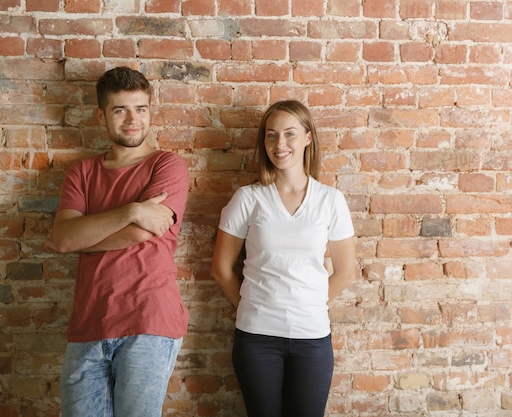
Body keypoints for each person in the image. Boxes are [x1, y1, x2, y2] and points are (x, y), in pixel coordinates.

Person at [45, 66, 189, 417]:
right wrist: (132, 211)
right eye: (120, 110)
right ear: (101, 115)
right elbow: (62, 238)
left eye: (140, 108)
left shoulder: (167, 166)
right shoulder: (81, 172)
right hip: (89, 324)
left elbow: (145, 231)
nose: (132, 120)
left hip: (149, 321)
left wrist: (85, 235)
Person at [210, 100, 356, 417]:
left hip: (312, 339)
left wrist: (307, 304)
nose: (280, 144)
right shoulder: (247, 198)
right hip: (256, 340)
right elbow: (221, 269)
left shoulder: (331, 200)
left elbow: (345, 272)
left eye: (290, 134)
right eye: (271, 135)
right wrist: (257, 306)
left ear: (308, 138)